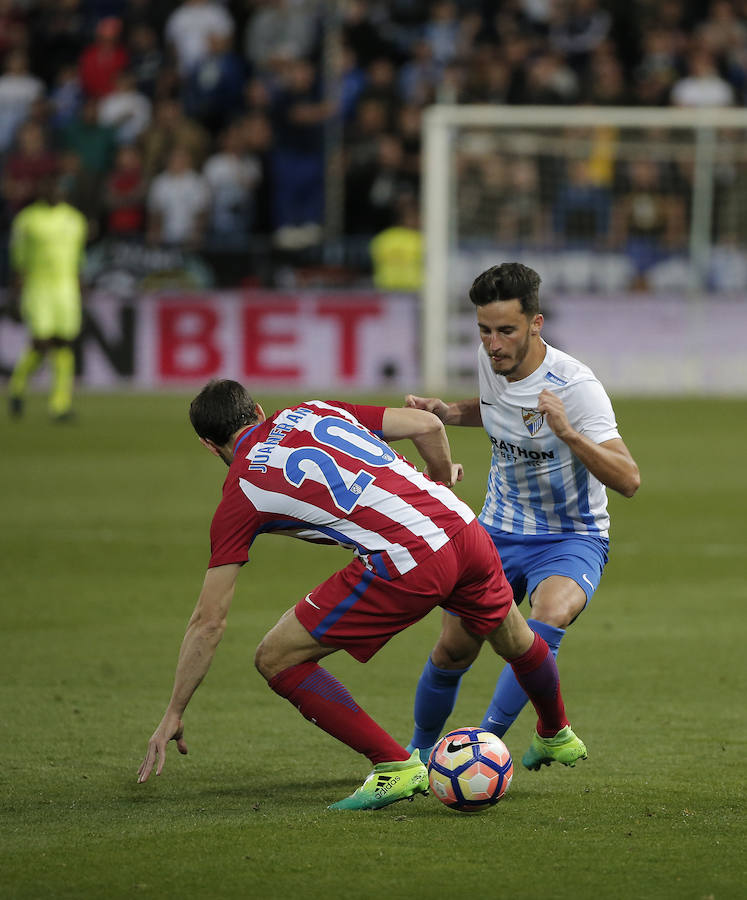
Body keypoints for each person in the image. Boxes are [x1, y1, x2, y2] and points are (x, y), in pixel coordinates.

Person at [137, 379, 588, 810]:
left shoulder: (241, 491)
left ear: (209, 445)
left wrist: (175, 708)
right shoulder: (310, 410)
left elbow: (209, 619)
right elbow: (428, 424)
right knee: (514, 637)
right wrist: (438, 478)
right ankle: (556, 731)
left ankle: (394, 764)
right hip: (462, 526)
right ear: (257, 410)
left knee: (276, 657)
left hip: (406, 559)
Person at [404, 262, 640, 761]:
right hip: (496, 530)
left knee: (546, 616)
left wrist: (570, 433)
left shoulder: (576, 387)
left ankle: (484, 746)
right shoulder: (491, 360)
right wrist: (448, 412)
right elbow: (496, 408)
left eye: (506, 330)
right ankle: (418, 755)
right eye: (484, 331)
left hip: (570, 536)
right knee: (453, 650)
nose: (493, 344)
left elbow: (629, 479)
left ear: (536, 323)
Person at [7, 174, 88, 421]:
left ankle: (60, 405)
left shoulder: (75, 219)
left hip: (66, 288)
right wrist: (18, 285)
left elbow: (78, 256)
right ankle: (17, 387)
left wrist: (79, 282)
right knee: (41, 342)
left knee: (63, 343)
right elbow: (17, 256)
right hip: (38, 287)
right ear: (41, 190)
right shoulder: (27, 219)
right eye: (49, 186)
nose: (54, 191)